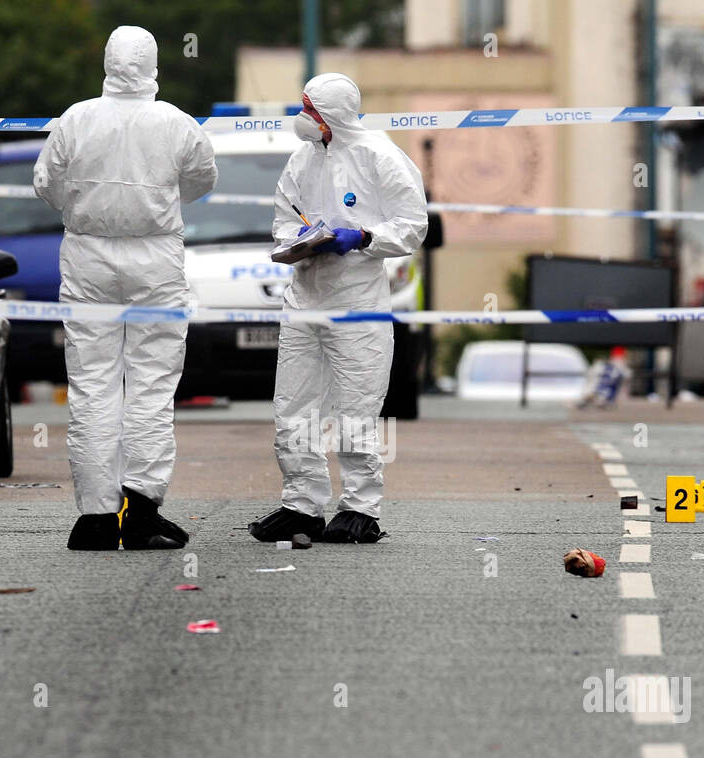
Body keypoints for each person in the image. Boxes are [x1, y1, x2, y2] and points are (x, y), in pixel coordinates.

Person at [35, 26, 218, 550]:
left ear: (108, 63)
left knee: (92, 386)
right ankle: (140, 510)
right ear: (154, 64)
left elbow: (46, 182)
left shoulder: (76, 119)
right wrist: (158, 200)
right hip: (155, 258)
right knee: (151, 386)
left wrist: (83, 211)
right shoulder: (176, 124)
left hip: (88, 257)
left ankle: (95, 518)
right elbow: (202, 180)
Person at [248, 73, 428, 544]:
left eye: (311, 109)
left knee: (356, 409)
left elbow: (412, 225)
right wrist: (297, 244)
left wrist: (364, 238)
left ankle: (360, 509)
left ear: (335, 114)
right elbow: (284, 217)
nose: (304, 118)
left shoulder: (380, 156)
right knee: (293, 407)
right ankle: (301, 505)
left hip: (357, 300)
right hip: (304, 296)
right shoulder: (302, 160)